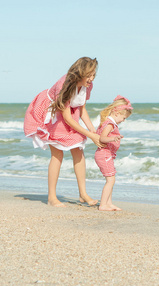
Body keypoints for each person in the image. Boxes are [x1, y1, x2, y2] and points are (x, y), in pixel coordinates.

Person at [24, 57, 103, 207]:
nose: (92, 79)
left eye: (94, 75)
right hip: (53, 113)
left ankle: (83, 194)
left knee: (78, 148)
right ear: (81, 72)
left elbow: (81, 108)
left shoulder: (87, 86)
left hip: (70, 113)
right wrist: (90, 135)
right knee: (57, 153)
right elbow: (67, 118)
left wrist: (92, 129)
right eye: (89, 75)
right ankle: (51, 197)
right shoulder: (65, 86)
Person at [94, 95, 133, 211]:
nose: (123, 121)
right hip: (104, 154)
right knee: (110, 180)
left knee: (111, 179)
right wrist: (113, 139)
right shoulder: (110, 124)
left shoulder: (108, 122)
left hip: (106, 155)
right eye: (124, 118)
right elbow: (102, 138)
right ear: (117, 113)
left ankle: (108, 203)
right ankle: (103, 205)